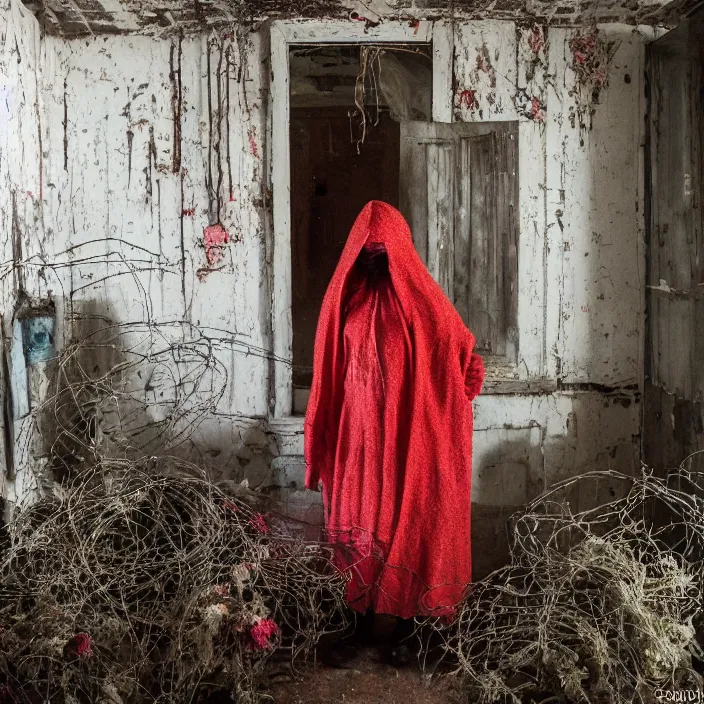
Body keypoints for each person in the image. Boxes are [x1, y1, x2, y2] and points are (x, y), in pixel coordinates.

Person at [304, 201, 484, 666]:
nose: (375, 256)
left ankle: (410, 629)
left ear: (399, 249)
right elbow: (331, 364)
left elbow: (460, 349)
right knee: (357, 528)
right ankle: (356, 626)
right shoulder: (348, 300)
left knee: (408, 526)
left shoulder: (422, 300)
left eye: (383, 249)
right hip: (358, 439)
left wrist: (458, 387)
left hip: (407, 438)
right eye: (368, 249)